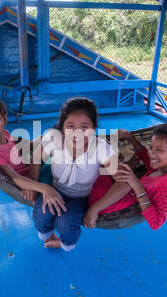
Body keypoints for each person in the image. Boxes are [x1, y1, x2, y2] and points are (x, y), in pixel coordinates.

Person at [32, 97, 118, 251]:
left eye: (84, 127)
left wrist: (95, 208)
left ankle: (66, 244)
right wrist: (35, 186)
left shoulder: (100, 148)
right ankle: (49, 236)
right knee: (41, 213)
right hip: (55, 189)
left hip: (81, 197)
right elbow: (35, 159)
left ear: (94, 127)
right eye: (70, 126)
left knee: (66, 223)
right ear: (62, 127)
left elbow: (124, 181)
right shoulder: (54, 139)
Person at [83, 124, 167, 230]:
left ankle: (92, 207)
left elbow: (156, 222)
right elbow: (144, 155)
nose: (151, 154)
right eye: (151, 148)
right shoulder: (160, 166)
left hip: (110, 205)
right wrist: (129, 137)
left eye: (159, 150)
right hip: (111, 193)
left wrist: (135, 184)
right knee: (100, 154)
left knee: (119, 171)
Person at [0, 96, 63, 209]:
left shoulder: (5, 134)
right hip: (24, 180)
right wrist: (43, 188)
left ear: (4, 118)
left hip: (30, 171)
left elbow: (20, 144)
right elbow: (13, 177)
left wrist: (38, 140)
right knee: (58, 159)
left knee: (50, 138)